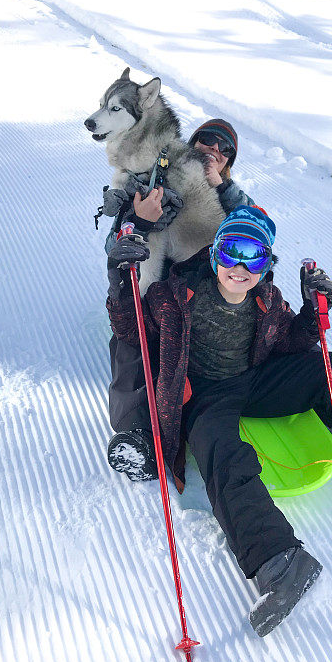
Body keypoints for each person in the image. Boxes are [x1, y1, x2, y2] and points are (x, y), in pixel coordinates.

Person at [105, 205, 332, 636]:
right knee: (223, 455)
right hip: (204, 393)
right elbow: (130, 329)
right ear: (214, 254)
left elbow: (291, 341)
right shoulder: (173, 296)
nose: (241, 268)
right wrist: (121, 277)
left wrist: (311, 310)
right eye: (231, 252)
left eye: (254, 256)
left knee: (331, 367)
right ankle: (278, 562)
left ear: (267, 264)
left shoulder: (267, 297)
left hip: (255, 379)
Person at [106, 119, 255, 471]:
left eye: (225, 149)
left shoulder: (231, 195)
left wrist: (221, 188)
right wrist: (138, 222)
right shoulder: (154, 177)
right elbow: (114, 247)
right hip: (162, 290)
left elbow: (258, 231)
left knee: (268, 306)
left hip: (211, 287)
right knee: (134, 331)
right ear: (192, 142)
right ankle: (138, 432)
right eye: (208, 140)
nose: (214, 151)